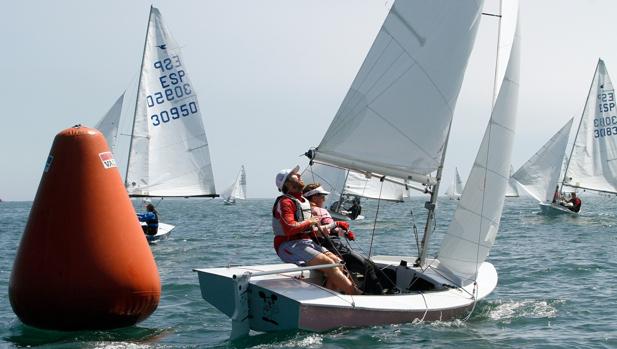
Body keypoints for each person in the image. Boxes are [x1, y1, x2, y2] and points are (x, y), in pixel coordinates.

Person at [272, 166, 359, 295]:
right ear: (288, 184)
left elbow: (310, 229)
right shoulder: (285, 202)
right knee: (329, 264)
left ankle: (330, 300)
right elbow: (289, 228)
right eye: (295, 175)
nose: (300, 176)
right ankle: (357, 295)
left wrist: (335, 227)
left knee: (338, 263)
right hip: (288, 245)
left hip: (306, 242)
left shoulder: (303, 201)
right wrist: (310, 222)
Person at [303, 183, 395, 295]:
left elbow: (323, 229)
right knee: (368, 267)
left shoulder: (305, 211)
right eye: (322, 196)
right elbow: (328, 226)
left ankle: (371, 291)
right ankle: (378, 296)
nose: (324, 198)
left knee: (367, 264)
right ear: (314, 197)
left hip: (321, 248)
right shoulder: (319, 211)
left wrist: (343, 232)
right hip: (333, 247)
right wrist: (339, 226)